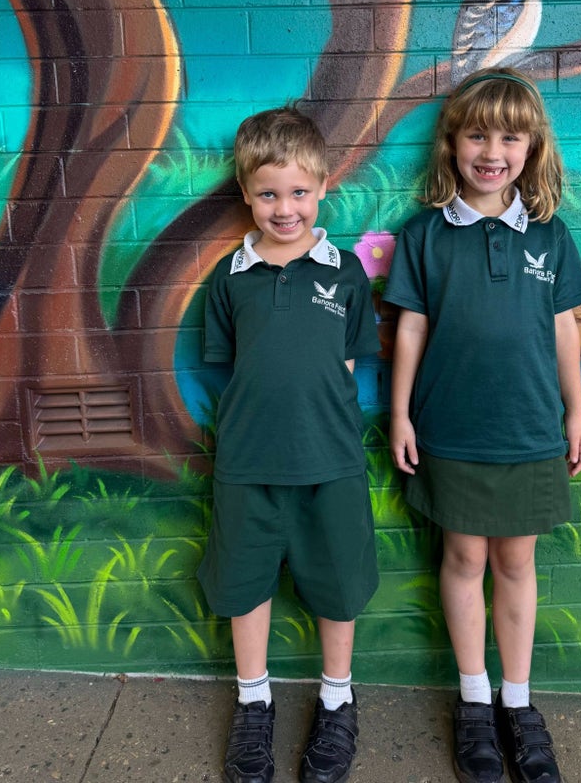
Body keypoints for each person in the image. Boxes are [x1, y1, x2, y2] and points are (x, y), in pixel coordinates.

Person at [384, 67, 581, 783]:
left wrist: (574, 409)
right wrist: (401, 414)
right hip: (452, 431)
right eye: (477, 133)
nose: (492, 150)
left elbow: (565, 329)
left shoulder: (550, 235)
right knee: (465, 561)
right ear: (452, 144)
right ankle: (474, 701)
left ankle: (518, 704)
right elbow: (410, 329)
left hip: (530, 430)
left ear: (532, 148)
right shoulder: (425, 236)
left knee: (516, 564)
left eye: (510, 135)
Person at [198, 106, 380, 783]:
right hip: (247, 463)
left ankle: (337, 701)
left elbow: (349, 367)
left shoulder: (346, 275)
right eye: (269, 193)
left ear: (322, 187)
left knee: (336, 582)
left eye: (298, 192)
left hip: (329, 461)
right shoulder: (230, 278)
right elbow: (234, 365)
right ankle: (253, 703)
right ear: (246, 193)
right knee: (245, 583)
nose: (284, 208)